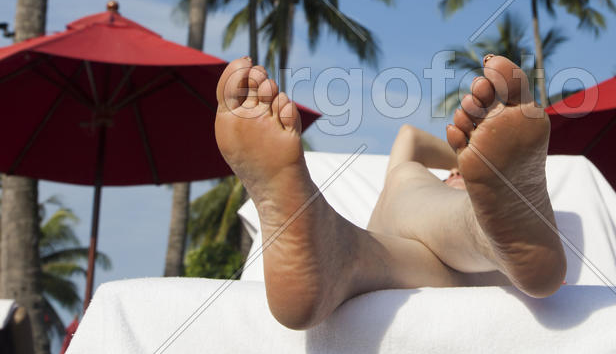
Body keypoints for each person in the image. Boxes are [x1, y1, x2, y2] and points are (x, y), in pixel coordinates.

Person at [215, 54, 567, 330]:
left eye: (467, 175)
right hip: (448, 270)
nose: (458, 172)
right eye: (455, 173)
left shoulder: (422, 187)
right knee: (410, 191)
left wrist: (471, 158)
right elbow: (410, 135)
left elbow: (409, 142)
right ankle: (346, 256)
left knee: (405, 177)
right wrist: (471, 156)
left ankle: (345, 254)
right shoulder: (458, 182)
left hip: (466, 251)